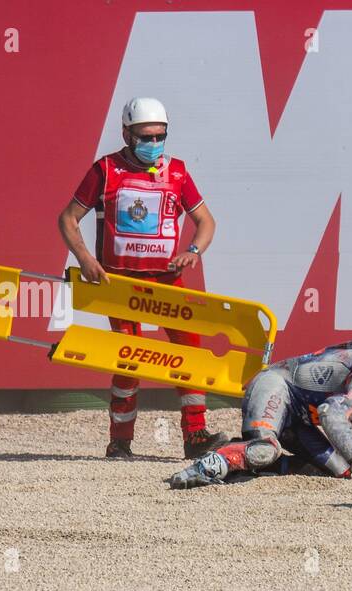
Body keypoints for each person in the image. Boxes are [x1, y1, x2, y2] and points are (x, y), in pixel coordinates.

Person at [58, 96, 229, 460]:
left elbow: (207, 222)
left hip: (167, 283)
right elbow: (68, 219)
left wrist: (193, 252)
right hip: (118, 285)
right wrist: (85, 258)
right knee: (128, 360)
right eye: (145, 136)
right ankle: (120, 442)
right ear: (126, 133)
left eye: (159, 136)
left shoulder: (178, 173)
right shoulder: (104, 171)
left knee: (190, 356)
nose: (153, 144)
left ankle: (195, 438)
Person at [166, 338, 352, 489]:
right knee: (265, 450)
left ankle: (235, 461)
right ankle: (201, 468)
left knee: (343, 471)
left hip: (299, 416)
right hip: (276, 387)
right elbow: (330, 414)